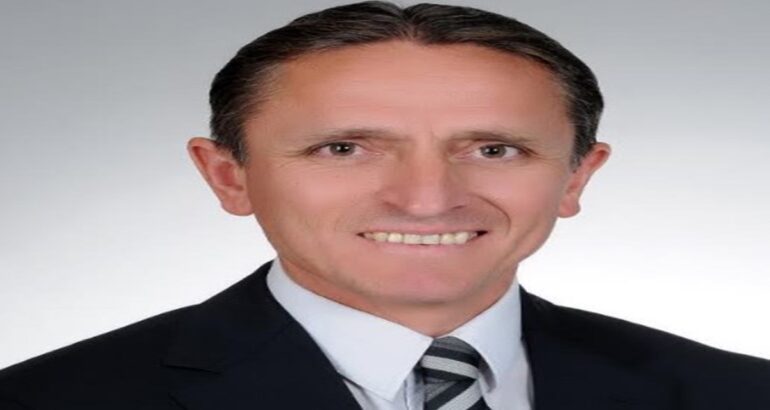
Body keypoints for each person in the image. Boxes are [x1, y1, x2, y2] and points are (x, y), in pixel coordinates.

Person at [1, 1, 768, 409]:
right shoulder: (46, 399)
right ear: (229, 177)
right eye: (344, 148)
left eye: (494, 150)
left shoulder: (737, 394)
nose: (426, 199)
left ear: (575, 179)